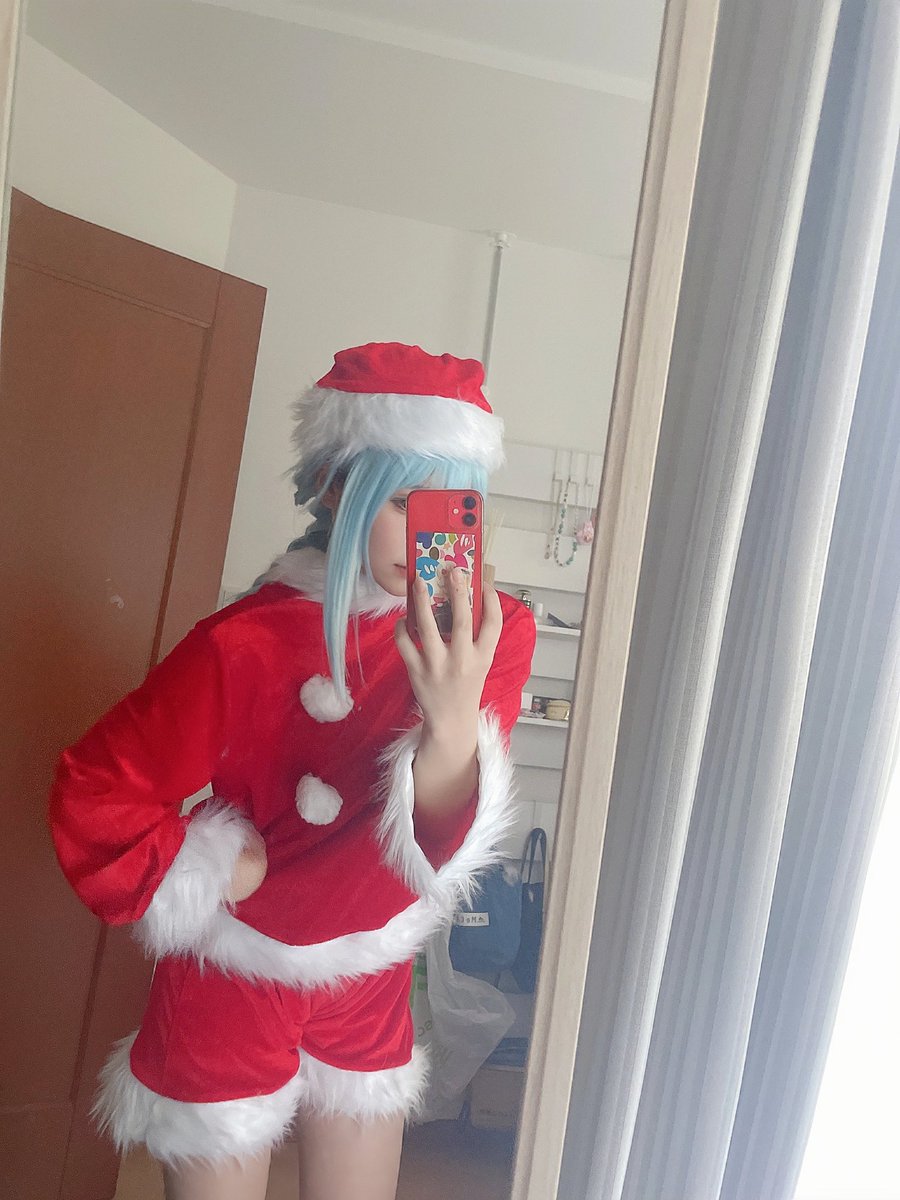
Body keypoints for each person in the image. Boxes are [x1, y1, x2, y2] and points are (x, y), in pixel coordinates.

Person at [49, 342, 536, 1200]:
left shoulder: (492, 634)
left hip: (371, 974)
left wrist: (454, 714)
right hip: (236, 972)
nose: (429, 534)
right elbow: (95, 791)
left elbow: (437, 847)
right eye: (403, 500)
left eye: (455, 505)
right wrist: (210, 862)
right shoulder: (248, 643)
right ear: (339, 488)